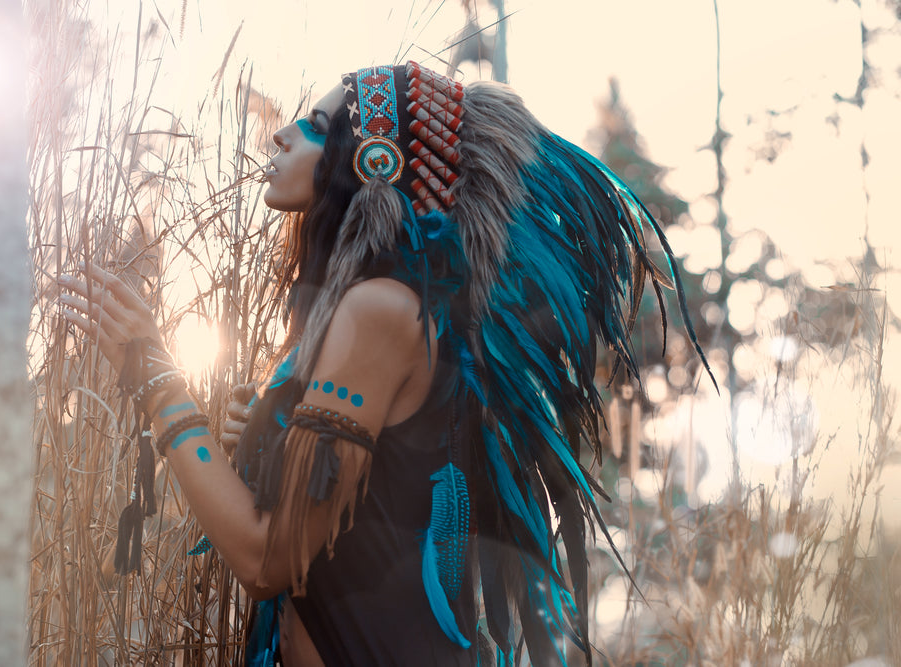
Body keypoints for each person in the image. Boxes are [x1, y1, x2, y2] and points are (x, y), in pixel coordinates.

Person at [58, 62, 711, 667]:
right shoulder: (383, 307)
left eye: (316, 127)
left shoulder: (380, 309)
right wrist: (262, 443)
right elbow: (356, 517)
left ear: (373, 160)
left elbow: (266, 559)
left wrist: (154, 378)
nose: (281, 135)